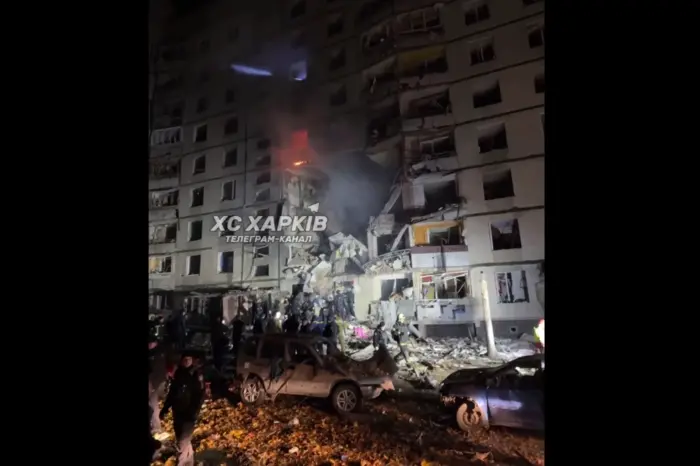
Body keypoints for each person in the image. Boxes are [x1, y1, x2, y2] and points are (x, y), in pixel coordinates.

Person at [160, 353, 205, 466]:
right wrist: (165, 408)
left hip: (189, 415)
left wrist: (194, 411)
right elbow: (172, 393)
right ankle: (189, 461)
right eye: (184, 359)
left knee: (182, 441)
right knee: (181, 439)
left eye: (189, 359)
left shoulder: (195, 375)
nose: (186, 361)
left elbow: (199, 396)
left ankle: (183, 463)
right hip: (178, 413)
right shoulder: (179, 374)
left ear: (192, 361)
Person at [148, 339, 169, 434]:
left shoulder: (158, 354)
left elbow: (158, 371)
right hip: (154, 382)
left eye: (150, 343)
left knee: (153, 404)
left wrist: (153, 385)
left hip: (154, 383)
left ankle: (156, 427)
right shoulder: (157, 352)